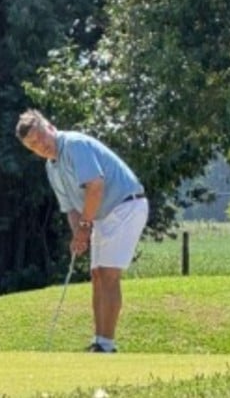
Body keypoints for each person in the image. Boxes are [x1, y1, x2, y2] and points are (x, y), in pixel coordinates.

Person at [16, 109, 149, 353]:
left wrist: (85, 227)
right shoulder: (51, 168)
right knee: (97, 275)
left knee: (108, 275)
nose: (40, 145)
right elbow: (70, 208)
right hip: (102, 215)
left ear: (50, 127)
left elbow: (95, 187)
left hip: (125, 206)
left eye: (41, 136)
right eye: (33, 145)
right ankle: (99, 342)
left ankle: (106, 345)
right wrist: (78, 234)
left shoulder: (74, 145)